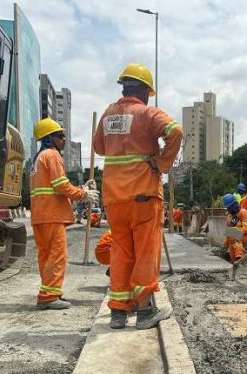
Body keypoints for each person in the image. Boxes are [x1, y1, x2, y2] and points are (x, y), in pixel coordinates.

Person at [93, 63, 183, 330]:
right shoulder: (146, 112)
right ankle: (145, 311)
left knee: (120, 250)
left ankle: (118, 312)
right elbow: (175, 131)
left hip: (114, 198)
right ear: (144, 91)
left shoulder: (108, 115)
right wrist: (161, 163)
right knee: (145, 251)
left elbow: (99, 147)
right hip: (143, 194)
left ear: (124, 87)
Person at [30, 117, 99, 310]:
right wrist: (83, 194)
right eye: (60, 136)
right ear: (48, 138)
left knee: (46, 255)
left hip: (40, 215)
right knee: (58, 255)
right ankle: (50, 295)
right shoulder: (52, 155)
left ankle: (47, 293)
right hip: (52, 215)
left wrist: (81, 188)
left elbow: (53, 186)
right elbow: (60, 185)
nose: (64, 140)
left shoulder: (38, 159)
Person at [222, 193, 247, 263]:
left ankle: (239, 257)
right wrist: (225, 246)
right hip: (233, 238)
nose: (228, 209)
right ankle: (234, 262)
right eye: (228, 208)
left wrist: (235, 231)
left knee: (233, 235)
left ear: (234, 204)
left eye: (229, 207)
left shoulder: (243, 213)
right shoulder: (230, 216)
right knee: (232, 257)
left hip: (245, 236)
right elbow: (228, 232)